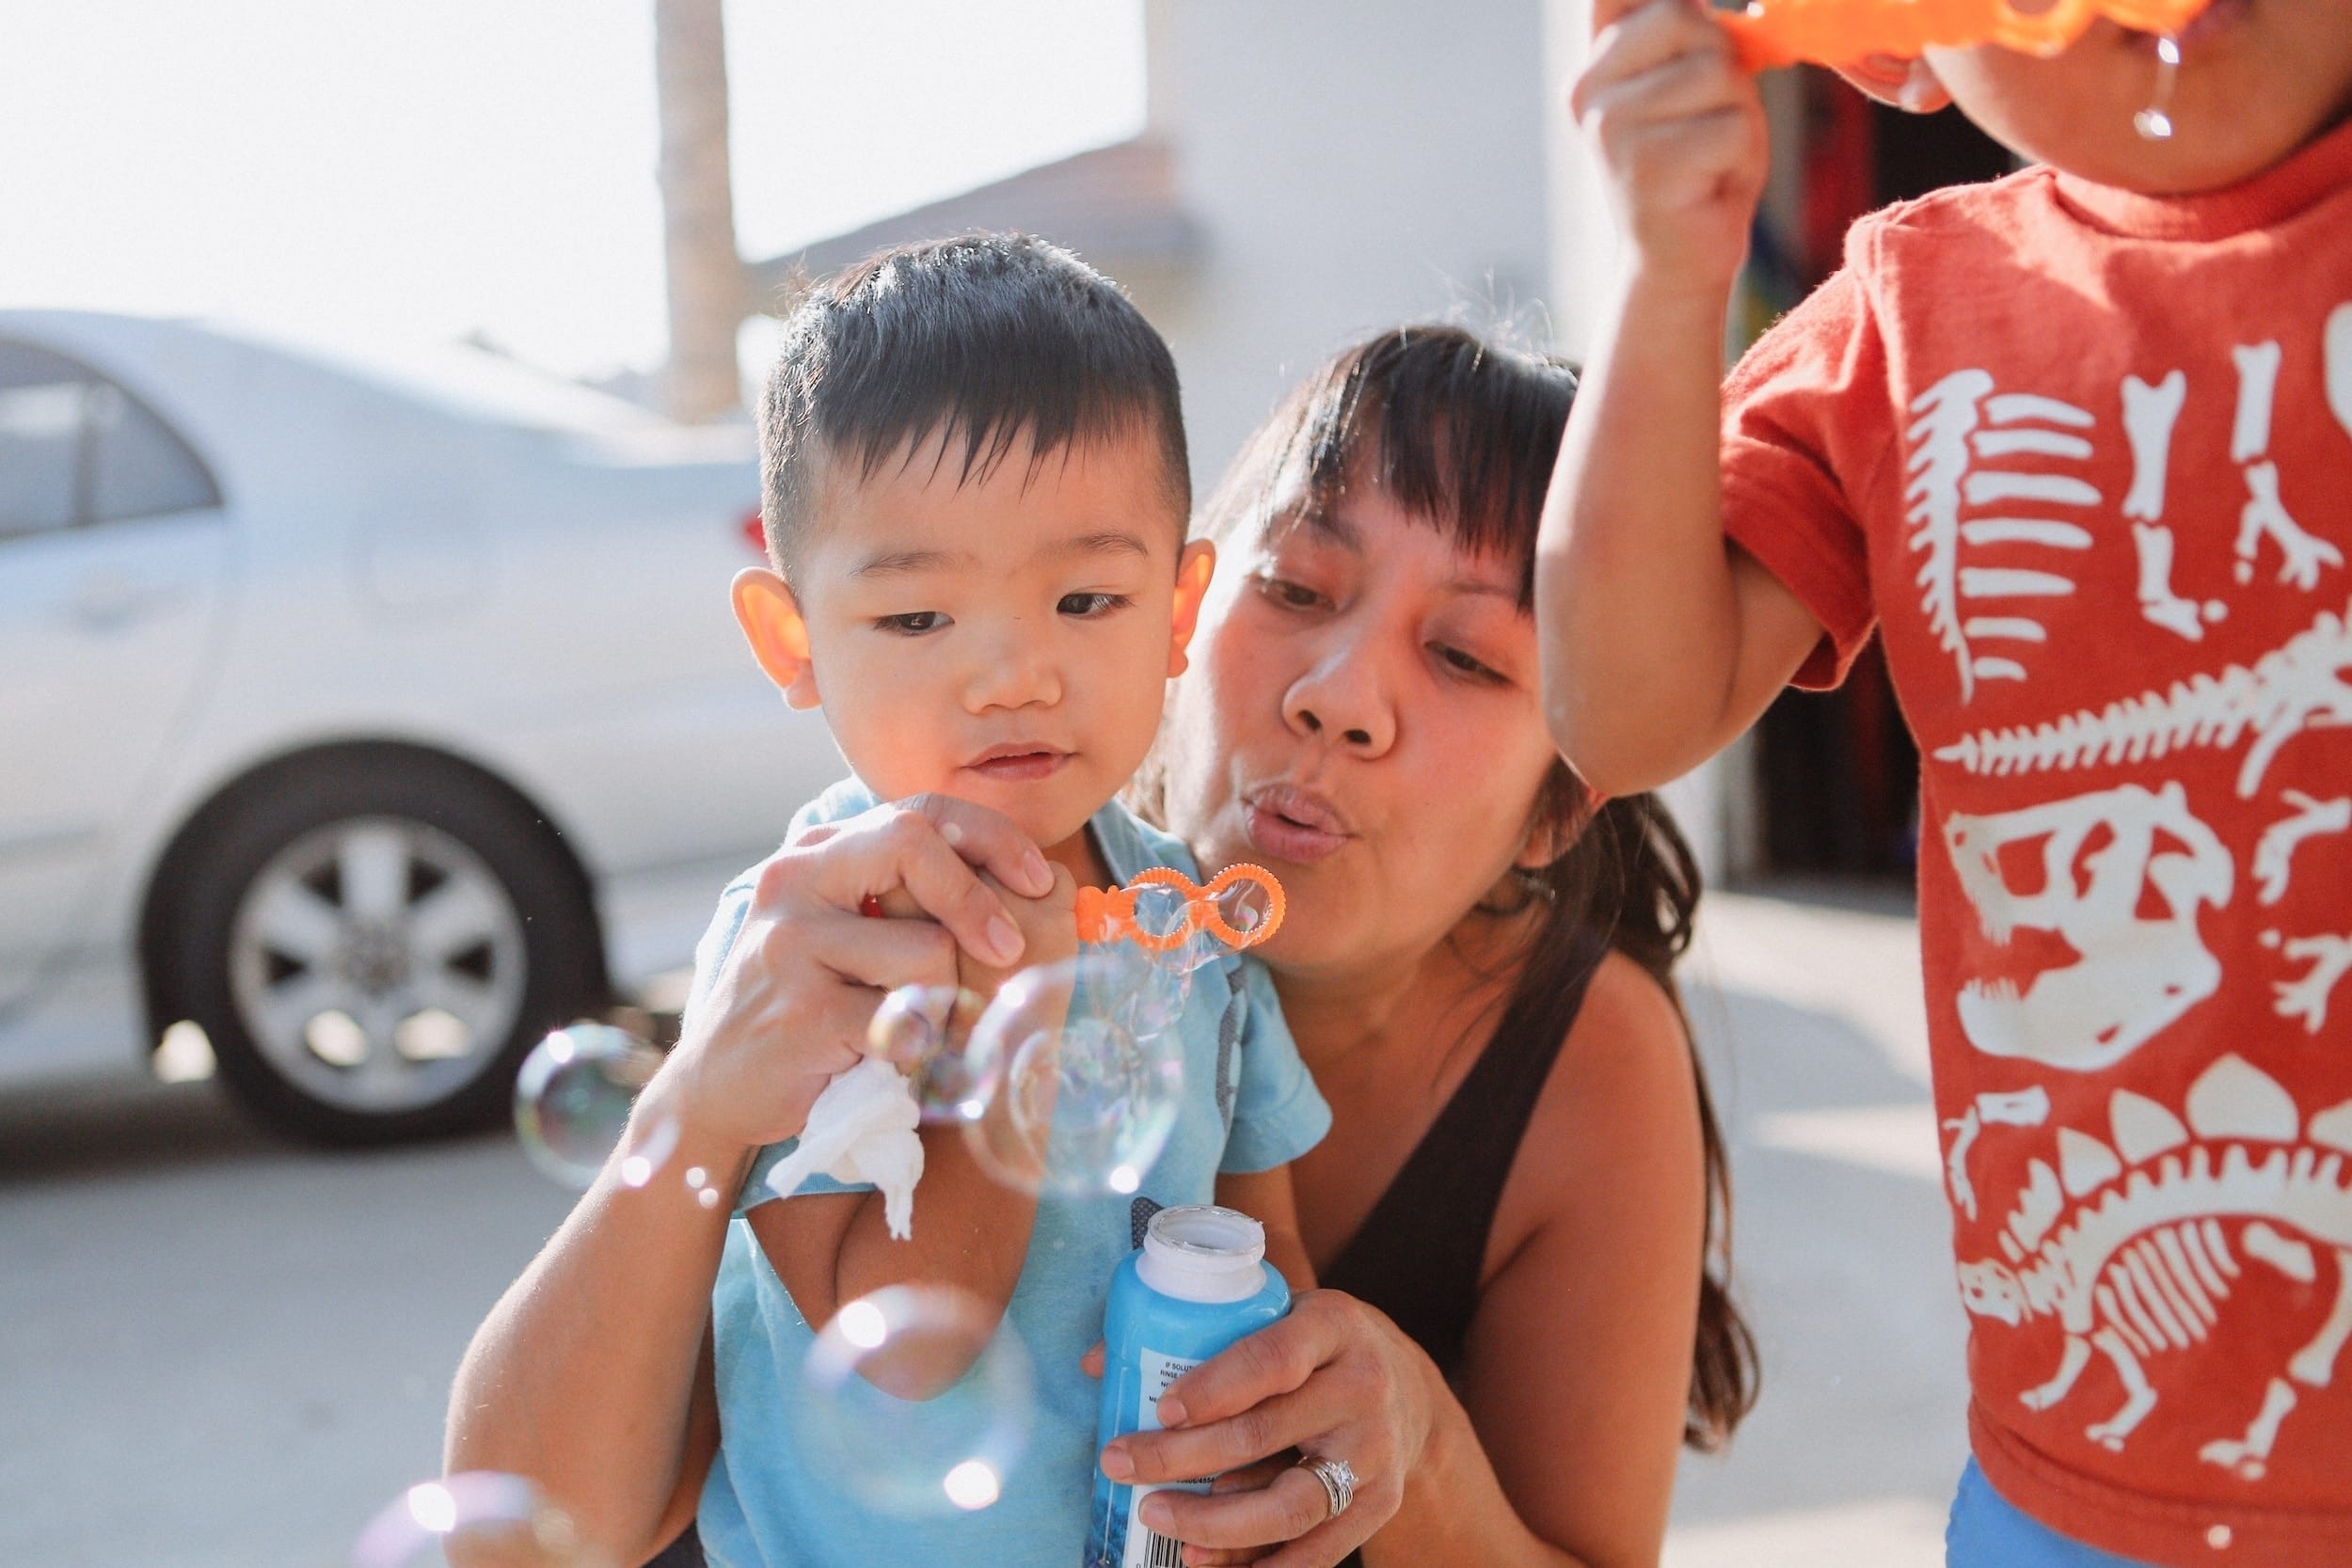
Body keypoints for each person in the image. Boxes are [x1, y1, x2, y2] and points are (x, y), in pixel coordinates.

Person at [448, 322, 1753, 1568]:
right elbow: (542, 1523)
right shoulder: (854, 941)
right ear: (1206, 600)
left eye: (1467, 658)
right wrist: (691, 1108)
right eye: (1297, 587)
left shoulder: (1520, 1048)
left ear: (1563, 801)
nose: (1338, 697)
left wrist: (1405, 1445)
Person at [1543, 4, 2352, 1565]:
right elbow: (1622, 714)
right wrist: (1664, 277)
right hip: (2085, 1489)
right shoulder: (1904, 317)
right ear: (1885, 47)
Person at [717, 232, 1331, 1567]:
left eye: (1084, 598)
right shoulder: (806, 946)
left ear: (1178, 613)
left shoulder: (1194, 929)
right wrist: (1015, 1020)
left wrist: (1251, 1415)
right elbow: (903, 1346)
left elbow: (1274, 1261)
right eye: (918, 620)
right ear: (792, 640)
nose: (1012, 675)